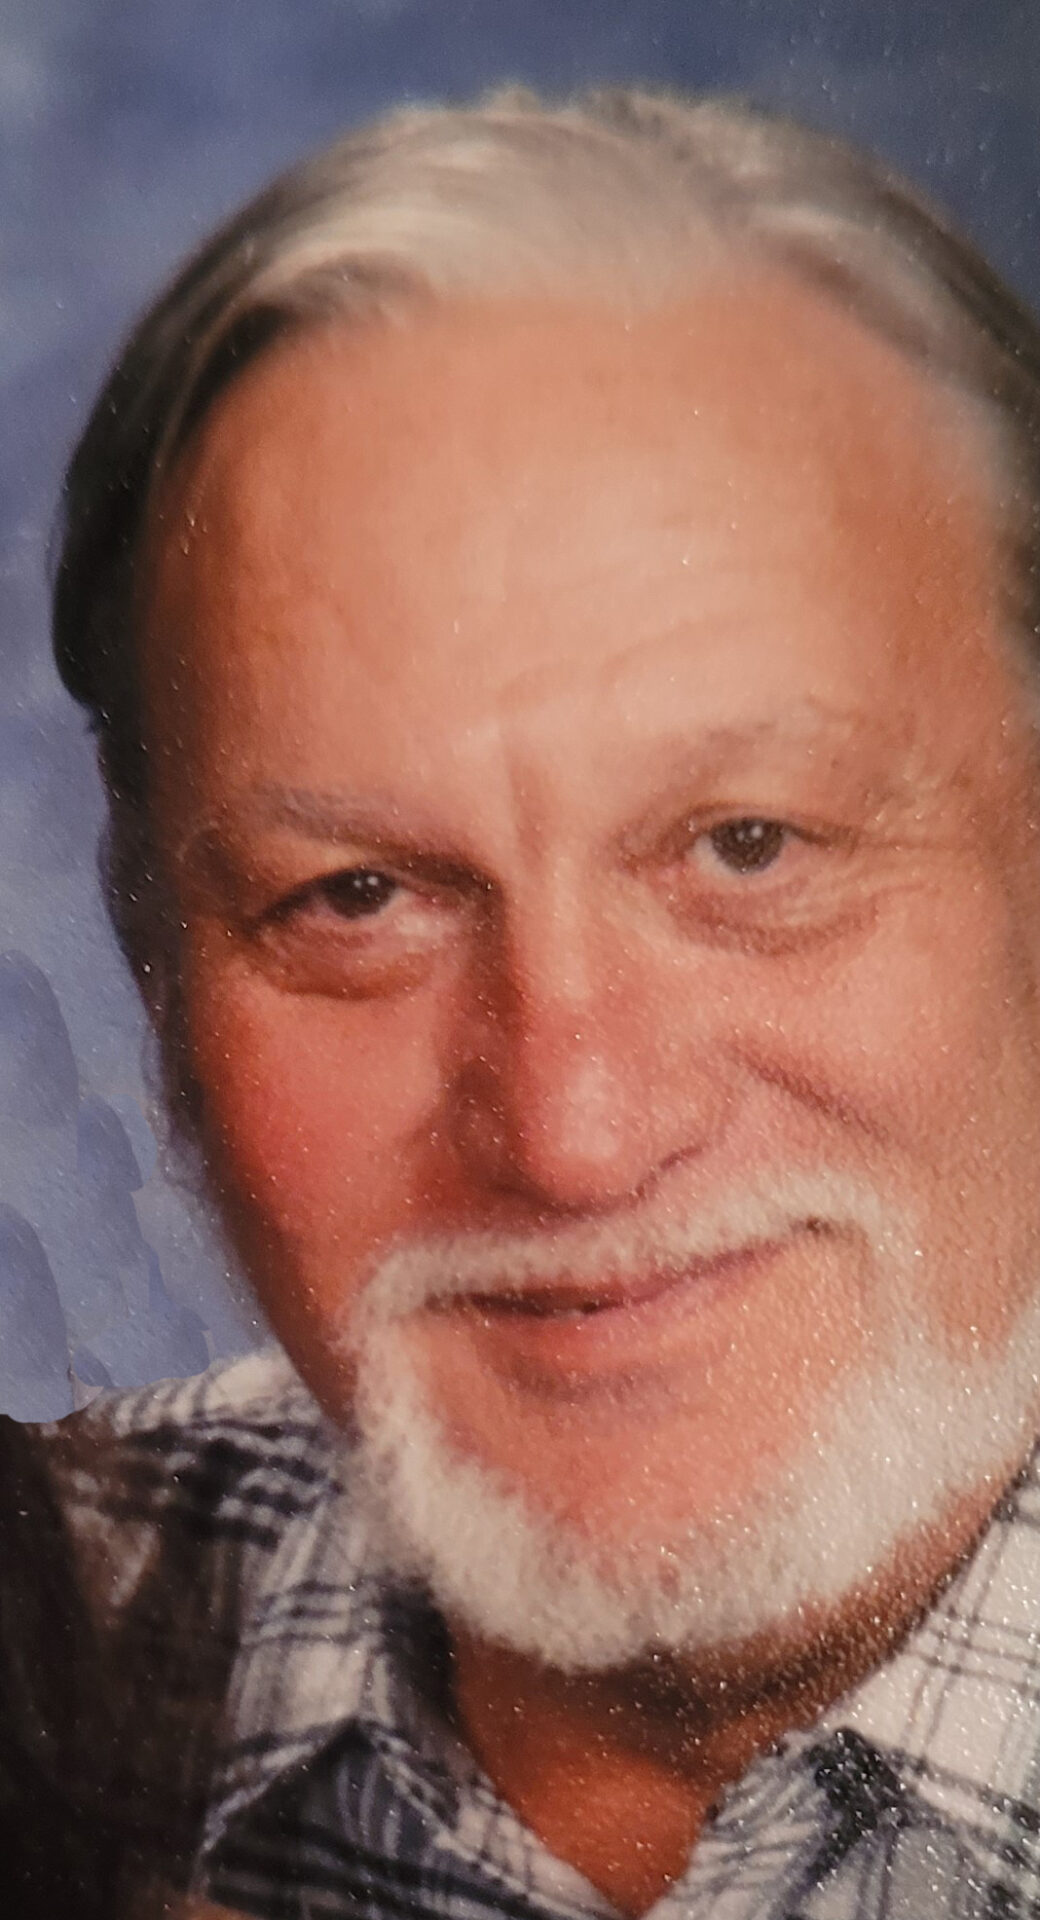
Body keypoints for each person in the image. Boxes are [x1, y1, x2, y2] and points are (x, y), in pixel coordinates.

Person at [9, 82, 1040, 1919]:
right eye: (357, 897)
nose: (575, 1131)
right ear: (158, 983)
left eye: (748, 846)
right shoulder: (53, 1623)